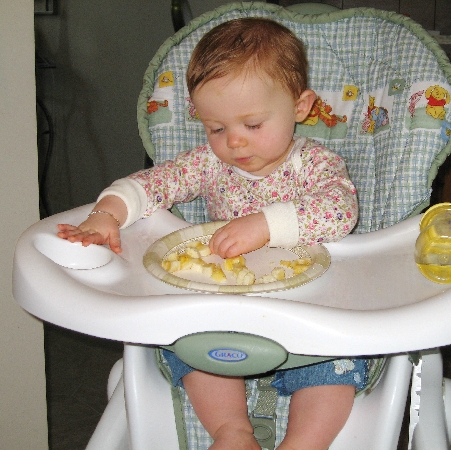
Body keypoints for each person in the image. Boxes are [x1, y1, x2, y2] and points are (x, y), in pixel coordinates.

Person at [57, 18, 367, 450]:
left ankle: (303, 444)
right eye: (217, 128)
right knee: (191, 350)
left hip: (309, 311)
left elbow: (339, 210)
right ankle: (232, 431)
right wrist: (107, 212)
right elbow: (154, 184)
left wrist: (264, 226)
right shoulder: (209, 163)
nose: (235, 142)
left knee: (333, 370)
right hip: (224, 307)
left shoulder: (315, 164)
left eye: (252, 125)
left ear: (300, 107)